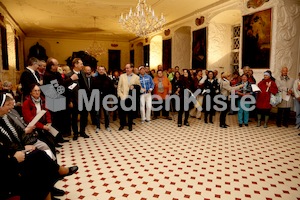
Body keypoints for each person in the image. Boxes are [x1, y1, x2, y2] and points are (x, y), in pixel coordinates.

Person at [0, 93, 78, 200]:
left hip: (22, 147)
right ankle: (57, 173)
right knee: (39, 157)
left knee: (43, 151)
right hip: (12, 162)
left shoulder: (6, 117)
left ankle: (51, 187)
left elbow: (20, 132)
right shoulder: (23, 106)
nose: (11, 106)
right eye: (8, 104)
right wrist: (18, 154)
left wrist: (26, 144)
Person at [65, 58, 90, 140]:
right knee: (75, 118)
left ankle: (82, 132)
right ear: (75, 64)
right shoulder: (69, 75)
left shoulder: (83, 73)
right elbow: (68, 90)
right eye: (81, 63)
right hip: (75, 100)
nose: (82, 65)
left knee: (84, 116)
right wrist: (70, 101)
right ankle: (75, 133)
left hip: (84, 99)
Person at [117, 64, 141, 131]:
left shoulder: (136, 77)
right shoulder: (122, 76)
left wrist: (134, 86)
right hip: (123, 96)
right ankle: (122, 125)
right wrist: (121, 96)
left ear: (132, 68)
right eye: (126, 68)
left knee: (130, 112)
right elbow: (119, 87)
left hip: (131, 97)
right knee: (122, 112)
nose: (126, 69)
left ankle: (130, 125)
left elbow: (139, 87)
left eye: (128, 68)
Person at [93, 66, 114, 132]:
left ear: (105, 70)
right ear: (98, 70)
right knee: (97, 113)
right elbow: (92, 89)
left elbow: (112, 88)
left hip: (106, 98)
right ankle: (98, 126)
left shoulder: (108, 79)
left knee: (106, 113)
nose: (101, 71)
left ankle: (107, 126)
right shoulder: (94, 79)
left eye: (102, 69)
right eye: (100, 69)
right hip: (97, 98)